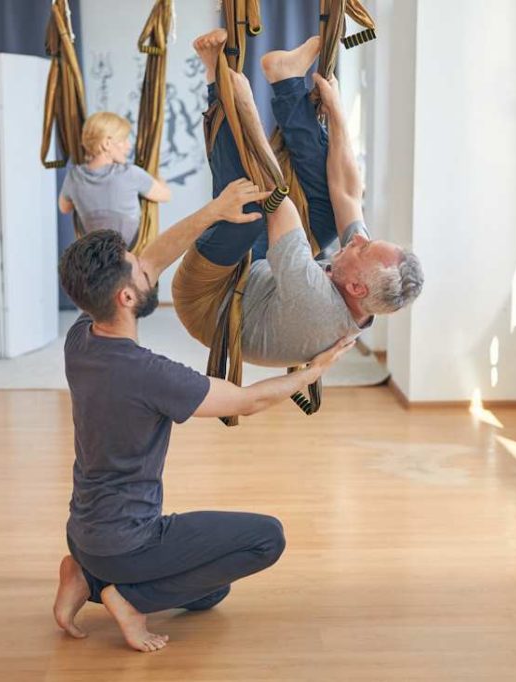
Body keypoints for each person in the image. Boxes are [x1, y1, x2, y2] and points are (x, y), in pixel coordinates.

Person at [52, 177, 355, 653]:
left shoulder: (81, 338)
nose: (147, 267)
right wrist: (310, 372)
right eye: (139, 271)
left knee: (211, 591)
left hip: (86, 534)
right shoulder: (150, 374)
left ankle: (85, 574)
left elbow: (150, 258)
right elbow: (245, 400)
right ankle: (123, 596)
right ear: (126, 299)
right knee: (265, 540)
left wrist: (216, 210)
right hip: (130, 543)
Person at [172, 30, 424, 368]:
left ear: (356, 288)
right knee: (327, 215)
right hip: (261, 277)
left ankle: (216, 80)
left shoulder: (316, 304)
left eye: (362, 249)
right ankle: (286, 77)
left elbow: (275, 197)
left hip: (210, 300)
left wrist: (239, 104)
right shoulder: (362, 284)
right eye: (368, 240)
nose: (359, 240)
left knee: (247, 209)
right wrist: (335, 110)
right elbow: (348, 193)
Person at [58, 111, 172, 245]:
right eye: (123, 140)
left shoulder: (74, 177)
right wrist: (158, 177)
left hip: (94, 255)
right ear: (106, 143)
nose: (128, 145)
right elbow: (166, 195)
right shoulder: (130, 174)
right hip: (129, 254)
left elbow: (64, 208)